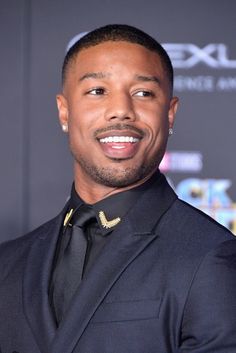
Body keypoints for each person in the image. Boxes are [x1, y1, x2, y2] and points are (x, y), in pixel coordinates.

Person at [0, 24, 236, 353]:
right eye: (98, 91)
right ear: (64, 112)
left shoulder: (212, 257)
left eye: (143, 93)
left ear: (170, 114)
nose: (122, 109)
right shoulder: (8, 262)